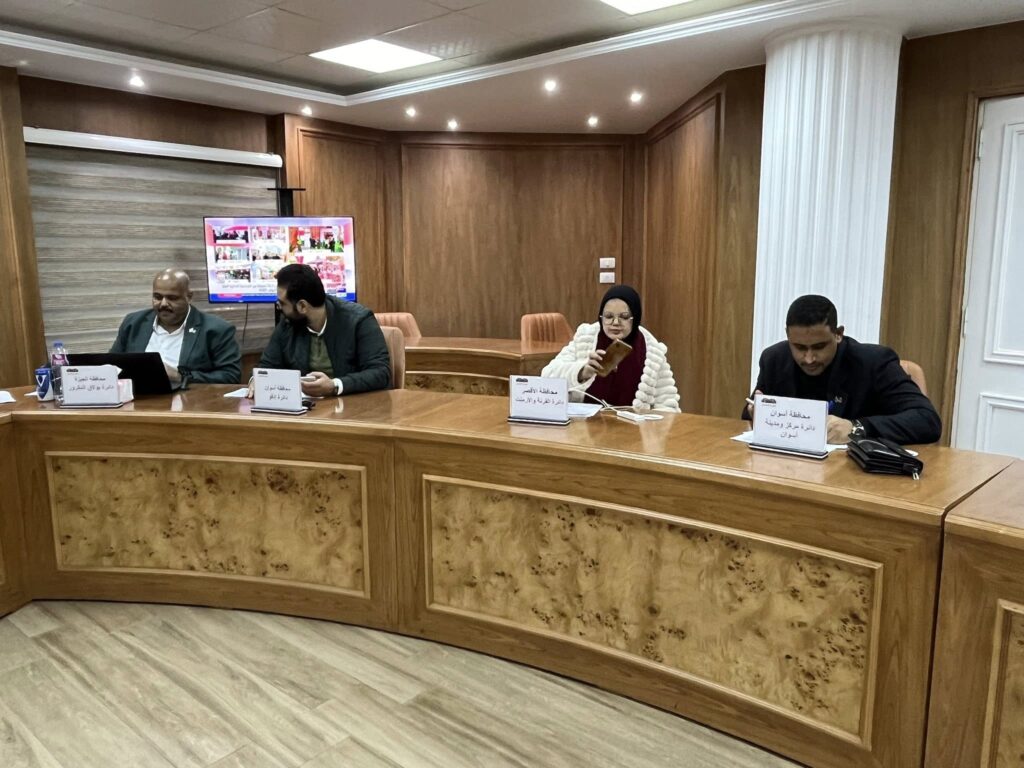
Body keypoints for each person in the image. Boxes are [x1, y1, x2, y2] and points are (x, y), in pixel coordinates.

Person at [745, 294, 941, 444]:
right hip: (789, 467)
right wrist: (757, 413)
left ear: (838, 334)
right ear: (788, 336)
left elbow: (927, 420)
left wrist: (857, 428)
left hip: (857, 474)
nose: (809, 358)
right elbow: (749, 415)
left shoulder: (874, 363)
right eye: (800, 348)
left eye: (819, 347)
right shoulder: (774, 359)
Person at [257, 263, 390, 397]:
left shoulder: (358, 319)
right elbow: (267, 366)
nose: (279, 307)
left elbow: (380, 372)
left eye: (282, 303)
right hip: (306, 406)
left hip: (352, 404)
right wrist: (256, 382)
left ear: (302, 306)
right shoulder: (288, 323)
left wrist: (334, 385)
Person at [541, 285, 680, 412]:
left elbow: (668, 404)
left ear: (635, 317)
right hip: (585, 426)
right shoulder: (586, 337)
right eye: (608, 316)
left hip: (633, 428)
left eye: (624, 317)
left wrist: (650, 427)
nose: (615, 323)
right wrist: (582, 372)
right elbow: (547, 377)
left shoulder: (653, 351)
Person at [110, 268, 241, 386]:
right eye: (157, 297)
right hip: (139, 399)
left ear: (189, 297)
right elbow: (111, 365)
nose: (163, 304)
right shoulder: (133, 323)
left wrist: (180, 377)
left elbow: (231, 376)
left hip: (189, 401)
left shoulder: (216, 329)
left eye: (172, 298)